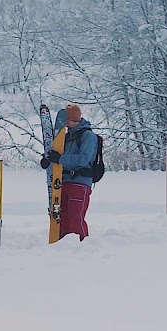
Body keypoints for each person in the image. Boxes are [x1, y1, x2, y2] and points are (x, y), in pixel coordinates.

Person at [39, 103, 98, 241]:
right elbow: (58, 154)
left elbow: (83, 159)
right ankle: (64, 245)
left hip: (80, 182)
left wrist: (59, 159)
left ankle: (82, 244)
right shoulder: (65, 137)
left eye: (68, 120)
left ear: (74, 119)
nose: (65, 124)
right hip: (63, 182)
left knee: (75, 217)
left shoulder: (88, 136)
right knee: (62, 217)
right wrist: (48, 160)